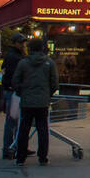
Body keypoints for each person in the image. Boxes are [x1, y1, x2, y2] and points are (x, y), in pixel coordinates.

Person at [12, 38, 58, 166]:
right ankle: (43, 157)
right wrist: (47, 94)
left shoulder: (23, 63)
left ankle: (20, 157)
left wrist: (21, 92)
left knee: (24, 129)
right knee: (43, 129)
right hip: (43, 102)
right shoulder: (49, 63)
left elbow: (15, 80)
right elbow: (54, 83)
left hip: (27, 101)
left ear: (30, 48)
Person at [1, 33, 27, 160]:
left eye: (24, 42)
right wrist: (14, 86)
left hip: (13, 90)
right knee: (12, 120)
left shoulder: (15, 55)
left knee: (16, 121)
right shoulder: (14, 57)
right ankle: (9, 148)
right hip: (13, 91)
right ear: (15, 43)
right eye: (21, 42)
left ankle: (16, 146)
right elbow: (12, 75)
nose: (23, 44)